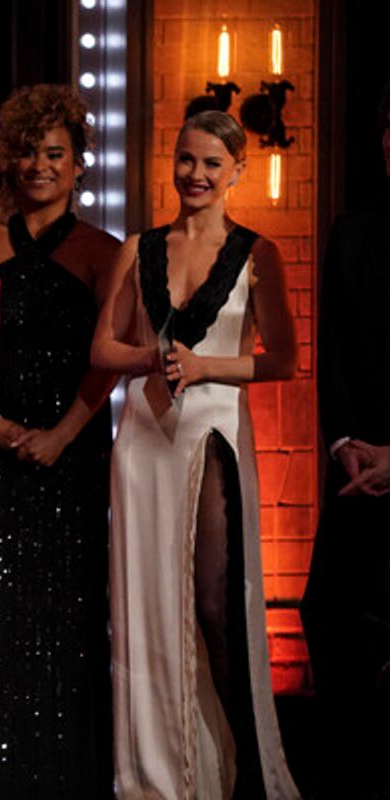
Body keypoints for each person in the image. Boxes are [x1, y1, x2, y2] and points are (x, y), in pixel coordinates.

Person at [92, 110, 300, 798]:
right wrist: (152, 356)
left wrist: (208, 368)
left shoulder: (256, 252)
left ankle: (244, 771)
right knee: (147, 607)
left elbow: (283, 363)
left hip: (212, 432)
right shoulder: (139, 247)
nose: (196, 175)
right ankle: (162, 775)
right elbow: (103, 350)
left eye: (212, 163)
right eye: (187, 160)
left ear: (237, 170)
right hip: (144, 444)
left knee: (213, 601)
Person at [0, 84, 118, 798]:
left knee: (68, 625)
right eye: (27, 151)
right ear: (6, 159)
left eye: (55, 153)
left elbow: (109, 357)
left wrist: (63, 436)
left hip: (69, 462)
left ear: (78, 165)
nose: (39, 164)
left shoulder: (106, 253)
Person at [300, 82, 390, 800]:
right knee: (325, 615)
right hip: (358, 472)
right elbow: (330, 352)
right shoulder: (351, 231)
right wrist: (345, 445)